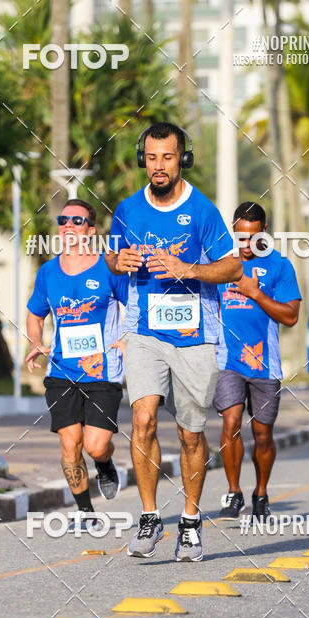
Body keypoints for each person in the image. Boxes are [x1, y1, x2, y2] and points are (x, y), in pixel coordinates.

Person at [106, 121, 242, 561]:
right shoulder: (127, 209)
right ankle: (149, 517)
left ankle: (189, 521)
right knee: (143, 418)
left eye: (168, 157)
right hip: (143, 331)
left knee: (190, 434)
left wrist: (192, 270)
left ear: (182, 158)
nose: (159, 166)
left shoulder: (202, 210)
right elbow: (111, 256)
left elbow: (233, 268)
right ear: (142, 157)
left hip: (194, 336)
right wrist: (117, 260)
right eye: (151, 157)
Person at [26, 199, 129, 530]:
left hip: (104, 371)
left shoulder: (108, 267)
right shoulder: (48, 272)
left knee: (94, 445)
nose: (68, 225)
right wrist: (35, 341)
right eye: (63, 220)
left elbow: (137, 305)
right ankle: (86, 512)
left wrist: (127, 337)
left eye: (77, 220)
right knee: (70, 443)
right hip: (61, 370)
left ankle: (105, 461)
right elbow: (34, 313)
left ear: (90, 229)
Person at [213, 202, 301, 521]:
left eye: (251, 237)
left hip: (265, 362)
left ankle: (260, 492)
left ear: (264, 231)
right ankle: (234, 492)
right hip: (227, 360)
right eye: (239, 237)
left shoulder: (279, 266)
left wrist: (256, 294)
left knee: (263, 435)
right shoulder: (220, 264)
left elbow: (291, 316)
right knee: (231, 421)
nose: (245, 245)